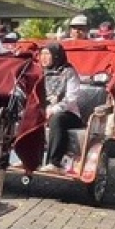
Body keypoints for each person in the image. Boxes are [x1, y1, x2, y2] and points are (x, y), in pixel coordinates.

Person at [38, 42, 83, 173]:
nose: (43, 57)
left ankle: (55, 162)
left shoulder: (69, 72)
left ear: (56, 56)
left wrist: (53, 109)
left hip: (69, 114)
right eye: (42, 54)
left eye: (47, 54)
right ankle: (28, 158)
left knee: (56, 119)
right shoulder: (39, 71)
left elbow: (71, 98)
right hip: (44, 111)